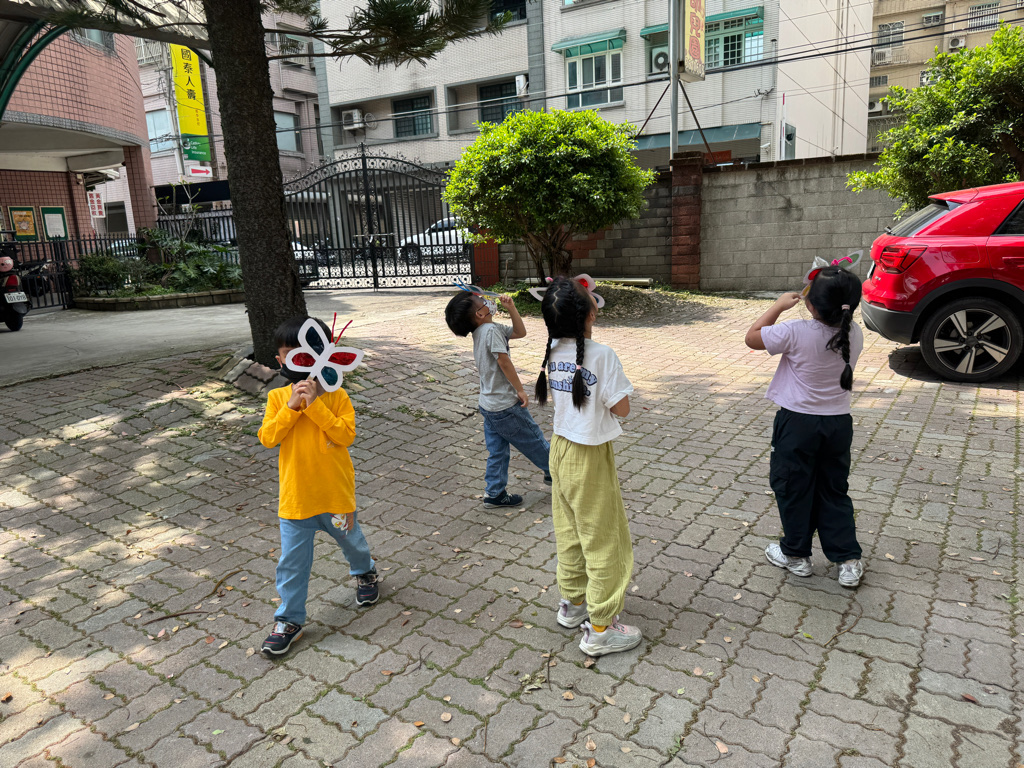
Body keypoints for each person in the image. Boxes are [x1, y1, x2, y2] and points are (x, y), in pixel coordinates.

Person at [257, 316, 379, 655]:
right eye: (292, 354)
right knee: (292, 564)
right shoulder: (278, 398)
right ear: (280, 360)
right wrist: (292, 408)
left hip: (335, 495)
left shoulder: (337, 396)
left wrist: (315, 406)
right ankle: (289, 620)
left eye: (310, 351)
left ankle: (365, 572)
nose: (303, 360)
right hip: (296, 500)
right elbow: (268, 438)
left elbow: (345, 436)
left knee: (352, 543)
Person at [534, 278, 640, 657]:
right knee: (603, 537)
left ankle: (573, 603)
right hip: (590, 455)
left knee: (570, 530)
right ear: (591, 314)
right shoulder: (602, 355)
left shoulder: (551, 349)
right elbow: (622, 408)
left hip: (560, 449)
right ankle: (601, 629)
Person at [744, 266, 865, 588]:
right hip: (838, 424)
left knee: (793, 487)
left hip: (798, 424)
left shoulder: (795, 330)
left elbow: (752, 338)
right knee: (833, 489)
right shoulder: (854, 333)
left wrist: (778, 306)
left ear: (811, 304)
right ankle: (847, 560)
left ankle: (795, 554)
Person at [445, 291, 550, 508]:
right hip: (505, 405)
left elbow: (520, 332)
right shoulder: (491, 330)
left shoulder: (486, 329)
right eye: (483, 301)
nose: (488, 301)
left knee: (498, 452)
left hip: (489, 405)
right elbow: (503, 361)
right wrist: (520, 389)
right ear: (480, 313)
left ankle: (494, 493)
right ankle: (558, 472)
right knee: (534, 440)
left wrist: (511, 308)